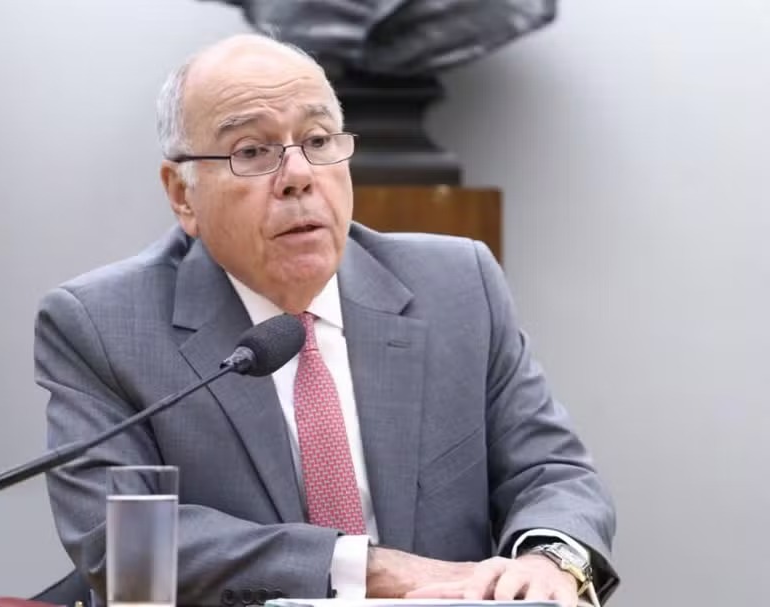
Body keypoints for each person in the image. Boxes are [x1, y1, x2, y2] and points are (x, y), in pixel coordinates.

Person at [35, 33, 619, 607]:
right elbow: (128, 549)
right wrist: (366, 569)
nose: (298, 175)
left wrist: (549, 560)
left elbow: (552, 471)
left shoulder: (457, 287)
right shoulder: (103, 325)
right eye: (252, 152)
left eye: (317, 140)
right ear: (182, 195)